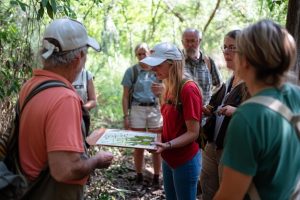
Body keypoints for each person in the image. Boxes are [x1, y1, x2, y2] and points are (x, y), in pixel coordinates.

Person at [18, 18, 113, 199]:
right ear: (78, 59)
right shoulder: (65, 99)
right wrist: (97, 160)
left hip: (27, 189)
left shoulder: (31, 85)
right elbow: (65, 170)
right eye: (86, 55)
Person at [214, 19, 300, 199]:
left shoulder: (248, 117)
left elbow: (229, 196)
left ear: (245, 61)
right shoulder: (295, 95)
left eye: (236, 51)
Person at [140, 42, 202, 200]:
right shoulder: (168, 86)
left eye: (158, 65)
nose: (154, 70)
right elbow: (174, 122)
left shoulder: (188, 89)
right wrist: (158, 133)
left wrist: (166, 145)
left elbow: (193, 132)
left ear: (172, 64)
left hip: (185, 160)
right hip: (168, 157)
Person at [200, 30, 249, 200]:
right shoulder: (228, 80)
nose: (227, 52)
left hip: (231, 150)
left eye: (232, 48)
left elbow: (263, 116)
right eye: (225, 47)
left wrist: (236, 111)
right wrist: (208, 110)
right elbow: (215, 107)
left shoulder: (252, 82)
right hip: (212, 145)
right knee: (207, 190)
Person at [121, 43, 163, 186]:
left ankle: (157, 176)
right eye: (139, 54)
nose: (142, 56)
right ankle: (139, 174)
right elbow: (125, 96)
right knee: (138, 144)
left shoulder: (157, 71)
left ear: (149, 53)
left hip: (154, 109)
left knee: (156, 145)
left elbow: (164, 92)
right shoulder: (132, 71)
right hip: (137, 109)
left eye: (144, 53)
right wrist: (126, 116)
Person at [182, 28, 222, 107]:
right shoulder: (176, 62)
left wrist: (209, 103)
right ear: (182, 42)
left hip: (204, 117)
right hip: (181, 116)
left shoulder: (208, 62)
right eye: (187, 41)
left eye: (193, 41)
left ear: (199, 41)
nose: (190, 44)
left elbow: (219, 85)